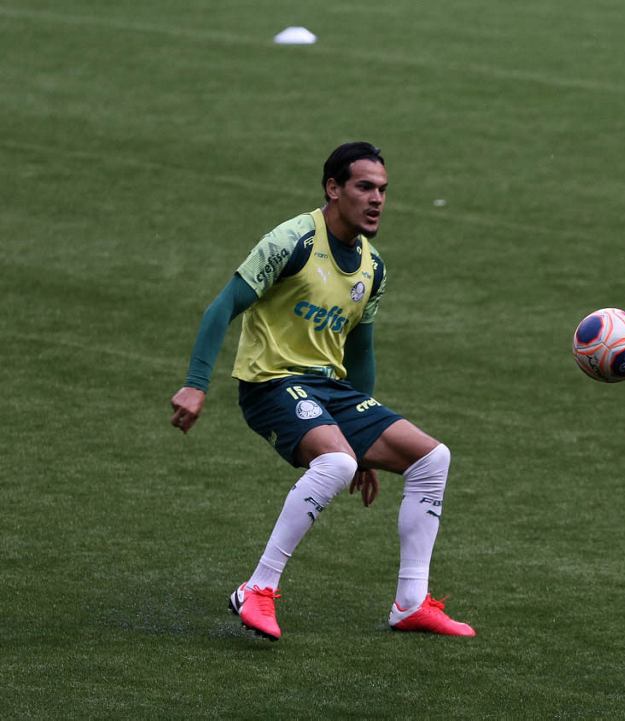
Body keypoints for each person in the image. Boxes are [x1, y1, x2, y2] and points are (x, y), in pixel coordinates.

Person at [170, 142, 474, 640]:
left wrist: (364, 440)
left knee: (431, 459)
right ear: (333, 188)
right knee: (336, 463)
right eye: (364, 187)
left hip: (329, 389)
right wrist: (195, 384)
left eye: (383, 190)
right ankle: (257, 588)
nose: (377, 199)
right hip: (270, 382)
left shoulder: (373, 267)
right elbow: (222, 306)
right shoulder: (292, 241)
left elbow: (361, 351)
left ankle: (411, 603)